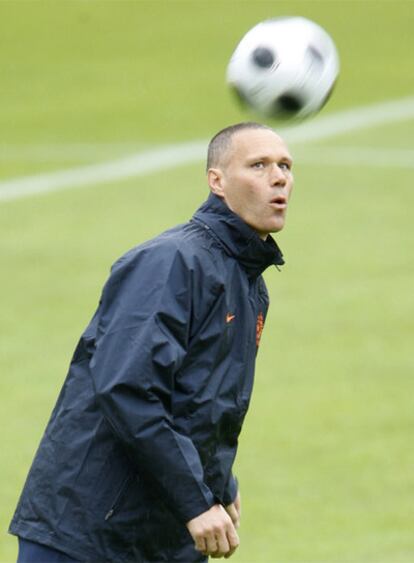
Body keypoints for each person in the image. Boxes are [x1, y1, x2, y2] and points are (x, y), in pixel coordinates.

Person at [9, 122, 294, 562]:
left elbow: (207, 403)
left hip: (162, 536)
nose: (278, 178)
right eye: (258, 165)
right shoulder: (171, 262)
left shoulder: (249, 284)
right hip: (87, 533)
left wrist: (220, 486)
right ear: (216, 181)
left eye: (285, 166)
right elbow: (129, 389)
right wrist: (196, 501)